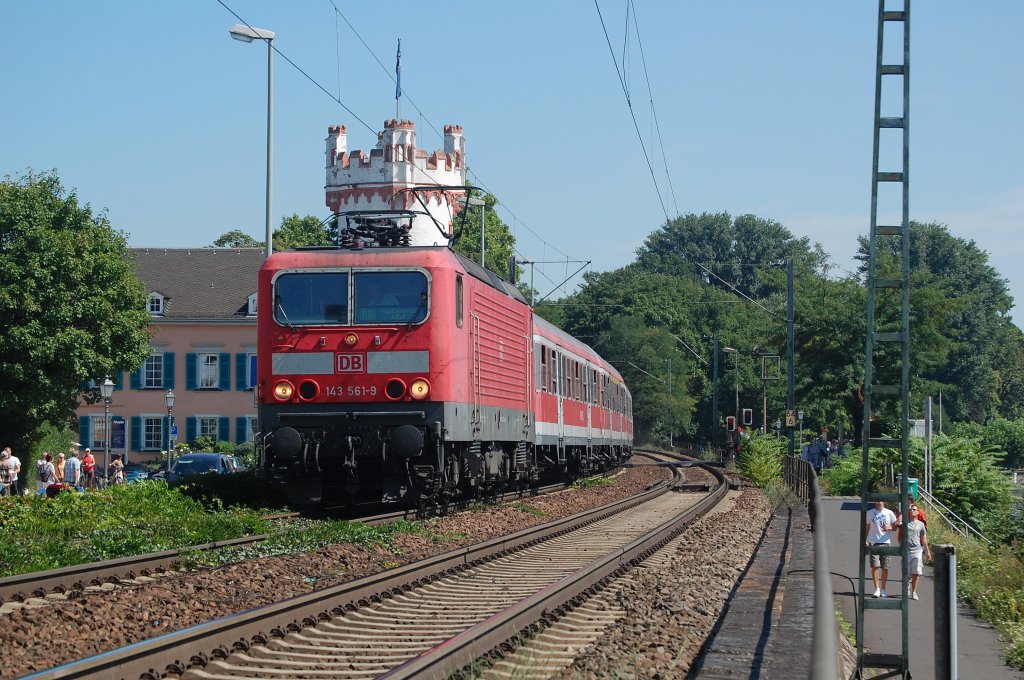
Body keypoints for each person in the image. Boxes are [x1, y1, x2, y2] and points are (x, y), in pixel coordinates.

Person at [865, 500, 897, 598]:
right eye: (878, 501)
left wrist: (890, 527)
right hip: (873, 542)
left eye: (881, 501)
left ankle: (883, 588)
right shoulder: (870, 513)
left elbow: (895, 527)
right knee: (874, 566)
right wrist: (864, 539)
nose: (879, 503)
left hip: (886, 542)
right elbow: (867, 526)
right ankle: (877, 589)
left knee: (885, 567)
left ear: (884, 502)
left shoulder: (889, 512)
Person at [904, 505, 932, 600]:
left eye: (914, 509)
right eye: (910, 509)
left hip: (917, 550)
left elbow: (923, 538)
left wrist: (927, 551)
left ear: (918, 512)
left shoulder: (921, 524)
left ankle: (914, 592)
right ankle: (906, 586)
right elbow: (896, 523)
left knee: (916, 572)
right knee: (907, 572)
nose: (912, 511)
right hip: (906, 550)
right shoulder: (905, 522)